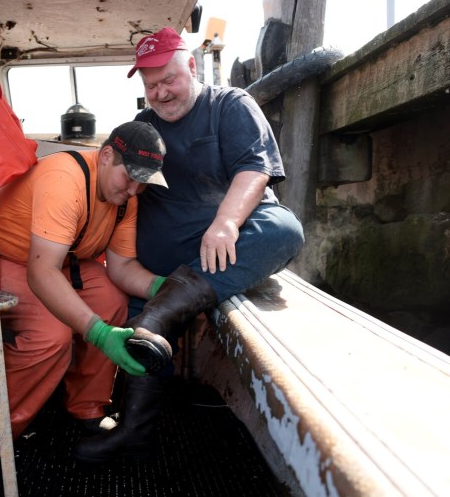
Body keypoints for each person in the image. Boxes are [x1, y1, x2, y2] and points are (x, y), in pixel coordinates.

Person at [74, 27, 305, 463]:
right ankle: (134, 432)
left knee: (285, 230)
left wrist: (225, 221)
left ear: (192, 68)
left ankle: (162, 314)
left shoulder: (231, 105)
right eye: (150, 86)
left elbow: (256, 170)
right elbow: (114, 184)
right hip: (170, 250)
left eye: (169, 80)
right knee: (138, 289)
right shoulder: (142, 127)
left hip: (232, 238)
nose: (160, 93)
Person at [0, 120, 172, 477]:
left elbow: (121, 268)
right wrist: (98, 333)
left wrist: (165, 288)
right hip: (6, 259)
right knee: (49, 337)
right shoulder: (64, 180)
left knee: (112, 300)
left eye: (142, 182)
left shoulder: (125, 198)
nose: (134, 189)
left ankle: (88, 408)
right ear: (105, 156)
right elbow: (42, 272)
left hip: (65, 263)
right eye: (128, 177)